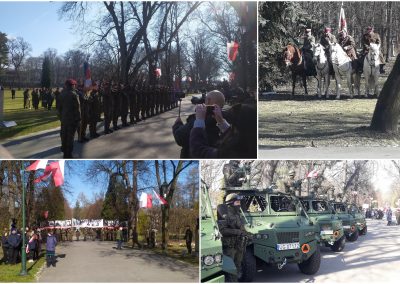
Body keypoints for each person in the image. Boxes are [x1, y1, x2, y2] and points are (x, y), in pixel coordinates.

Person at [172, 90, 227, 158]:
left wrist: (177, 124)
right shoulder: (227, 123)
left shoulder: (197, 120)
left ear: (208, 100)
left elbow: (180, 137)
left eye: (206, 99)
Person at [190, 103, 257, 158]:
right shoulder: (252, 143)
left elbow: (199, 152)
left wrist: (199, 121)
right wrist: (221, 122)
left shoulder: (231, 152)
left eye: (233, 125)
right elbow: (238, 138)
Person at [219, 193, 251, 282]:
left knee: (237, 266)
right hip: (230, 247)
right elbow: (222, 230)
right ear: (231, 203)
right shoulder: (224, 214)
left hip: (238, 245)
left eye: (239, 202)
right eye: (237, 202)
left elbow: (241, 227)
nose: (239, 204)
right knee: (230, 269)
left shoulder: (237, 214)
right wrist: (238, 232)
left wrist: (248, 234)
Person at [57, 79, 81, 158]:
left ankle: (64, 153)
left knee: (64, 136)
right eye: (74, 85)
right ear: (72, 85)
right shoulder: (74, 94)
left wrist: (61, 118)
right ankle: (68, 154)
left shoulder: (61, 94)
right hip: (72, 120)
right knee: (70, 138)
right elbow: (77, 109)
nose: (75, 86)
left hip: (64, 120)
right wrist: (78, 120)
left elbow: (58, 109)